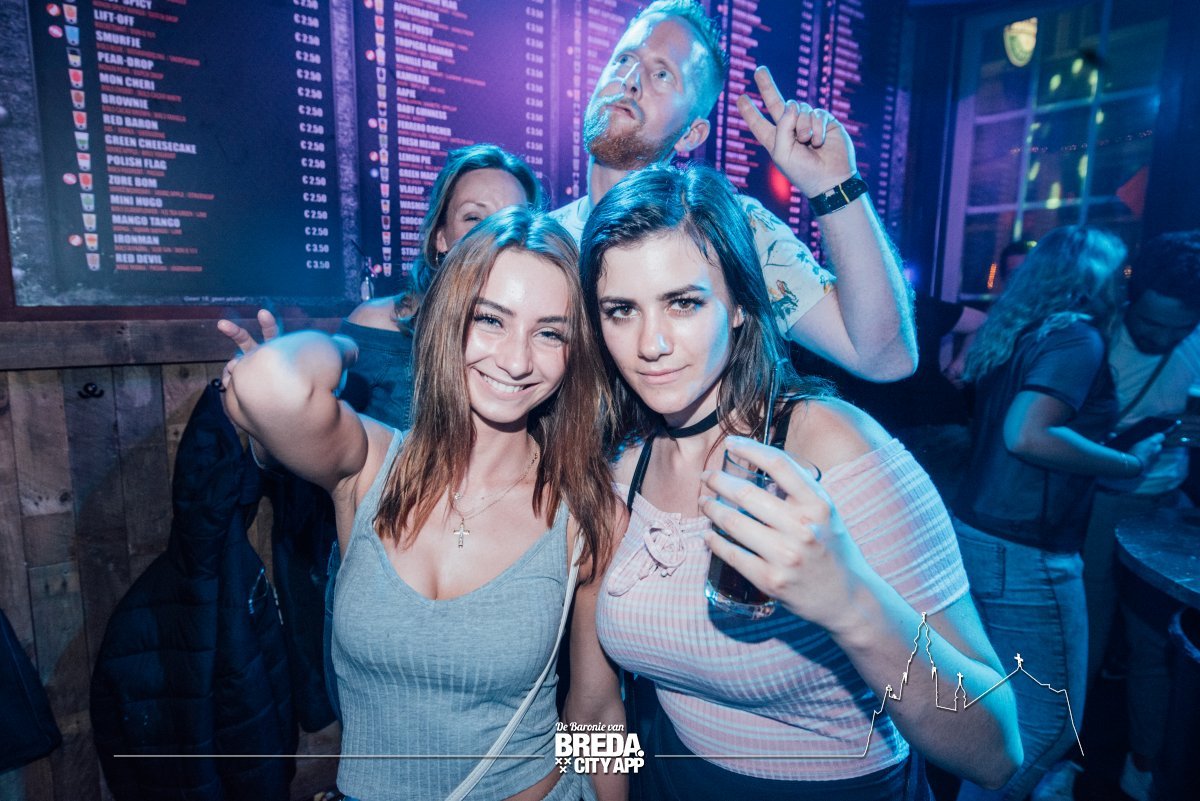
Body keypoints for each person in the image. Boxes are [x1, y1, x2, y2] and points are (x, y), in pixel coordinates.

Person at [579, 163, 1021, 800]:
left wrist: (849, 600)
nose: (651, 343)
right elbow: (593, 705)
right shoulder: (619, 468)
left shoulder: (837, 449)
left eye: (683, 303)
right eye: (621, 311)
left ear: (739, 305)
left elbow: (998, 751)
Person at [220, 207, 624, 801]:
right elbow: (268, 384)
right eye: (490, 319)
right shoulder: (369, 466)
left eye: (550, 333)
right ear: (447, 319)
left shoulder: (588, 511)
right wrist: (350, 348)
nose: (516, 360)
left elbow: (597, 711)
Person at [552, 0, 916, 382]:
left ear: (692, 134)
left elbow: (884, 358)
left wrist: (834, 186)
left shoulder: (732, 229)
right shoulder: (547, 238)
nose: (630, 80)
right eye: (624, 59)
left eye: (662, 74)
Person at [950, 226, 1166, 801]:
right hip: (1026, 548)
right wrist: (1126, 463)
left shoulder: (1023, 330)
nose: (1125, 284)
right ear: (1095, 278)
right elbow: (1027, 434)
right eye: (1119, 272)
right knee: (1048, 725)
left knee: (997, 711)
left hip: (979, 532)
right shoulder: (1076, 337)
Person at [1080, 230, 1200, 800]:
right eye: (1151, 324)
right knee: (1086, 634)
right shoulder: (1094, 335)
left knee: (1156, 645)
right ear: (1132, 292)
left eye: (1180, 328)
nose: (1164, 337)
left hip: (1165, 505)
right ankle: (1060, 758)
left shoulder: (1193, 340)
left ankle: (1145, 767)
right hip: (1096, 503)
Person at [342, 143, 543, 428]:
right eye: (474, 218)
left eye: (513, 219)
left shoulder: (539, 339)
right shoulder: (380, 325)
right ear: (440, 237)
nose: (497, 234)